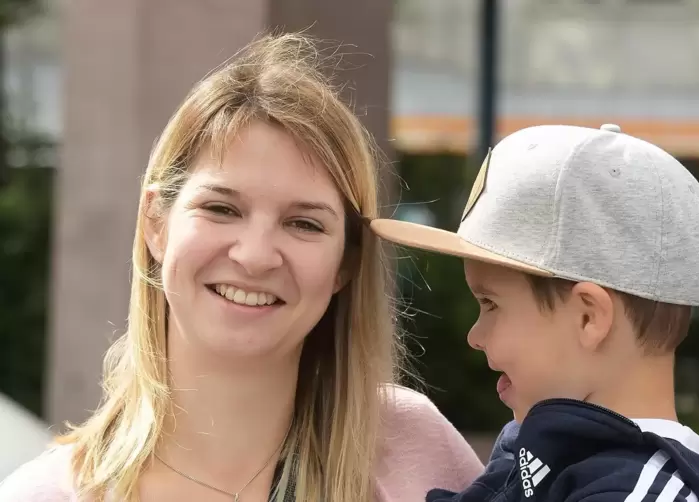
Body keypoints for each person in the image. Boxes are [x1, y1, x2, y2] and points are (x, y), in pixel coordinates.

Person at [0, 33, 483, 502]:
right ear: (156, 223)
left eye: (304, 223)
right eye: (221, 209)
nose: (254, 256)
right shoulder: (46, 495)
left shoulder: (413, 453)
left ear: (347, 263)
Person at [369, 123, 699, 502]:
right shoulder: (537, 457)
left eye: (490, 304)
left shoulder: (639, 495)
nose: (475, 336)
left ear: (589, 318)